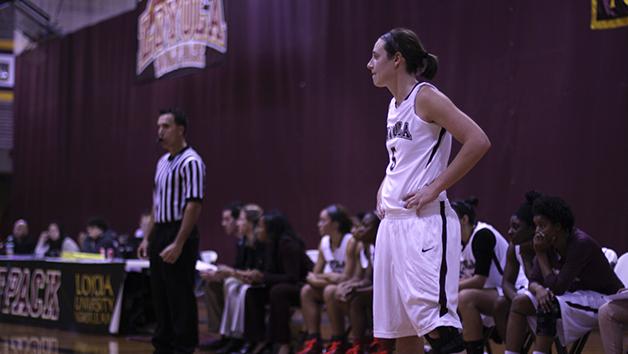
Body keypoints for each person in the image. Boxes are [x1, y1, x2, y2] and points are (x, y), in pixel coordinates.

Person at [367, 27, 491, 354]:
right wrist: (385, 186)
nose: (370, 64)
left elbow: (478, 141)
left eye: (376, 56)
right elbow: (402, 159)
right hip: (393, 227)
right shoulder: (394, 106)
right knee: (403, 332)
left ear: (397, 60)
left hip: (425, 227)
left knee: (439, 332)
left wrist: (433, 188)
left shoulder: (425, 96)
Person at [504, 195, 624, 354]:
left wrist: (540, 254)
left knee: (548, 304)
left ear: (558, 226)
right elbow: (533, 280)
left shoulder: (580, 244)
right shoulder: (548, 242)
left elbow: (558, 288)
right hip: (574, 296)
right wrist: (539, 290)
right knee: (520, 302)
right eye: (536, 226)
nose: (538, 231)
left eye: (542, 226)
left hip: (603, 299)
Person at [137, 108, 205, 354]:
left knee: (180, 294)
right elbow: (157, 204)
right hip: (161, 231)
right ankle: (163, 346)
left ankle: (184, 347)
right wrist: (147, 237)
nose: (160, 132)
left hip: (180, 231)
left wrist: (179, 243)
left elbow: (194, 205)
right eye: (158, 127)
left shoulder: (192, 161)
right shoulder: (161, 163)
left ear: (180, 129)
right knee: (160, 293)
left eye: (165, 126)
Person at [240, 210, 313, 354]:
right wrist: (257, 277)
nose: (257, 230)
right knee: (252, 293)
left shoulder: (288, 245)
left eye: (261, 227)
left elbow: (293, 277)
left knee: (278, 292)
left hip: (302, 287)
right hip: (283, 286)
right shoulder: (269, 244)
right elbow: (271, 274)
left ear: (272, 230)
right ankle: (258, 340)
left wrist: (262, 277)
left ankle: (283, 342)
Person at [452, 197, 510, 354]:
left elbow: (479, 281)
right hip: (487, 293)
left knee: (464, 297)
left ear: (464, 219)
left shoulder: (482, 235)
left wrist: (448, 287)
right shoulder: (456, 243)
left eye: (451, 219)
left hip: (508, 290)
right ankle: (450, 348)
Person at [297, 204, 356, 354]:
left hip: (350, 287)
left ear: (335, 224)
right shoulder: (324, 242)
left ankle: (338, 340)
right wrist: (329, 277)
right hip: (332, 285)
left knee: (329, 291)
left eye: (323, 221)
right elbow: (313, 275)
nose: (319, 224)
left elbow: (347, 277)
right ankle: (314, 340)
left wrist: (321, 279)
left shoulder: (350, 241)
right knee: (307, 291)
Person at [492, 192, 540, 341]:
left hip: (547, 294)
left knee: (522, 304)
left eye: (516, 227)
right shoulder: (514, 247)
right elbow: (506, 282)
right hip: (527, 293)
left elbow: (538, 281)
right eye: (510, 226)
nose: (509, 231)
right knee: (500, 304)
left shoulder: (545, 246)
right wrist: (514, 298)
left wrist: (526, 257)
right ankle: (513, 347)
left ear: (532, 229)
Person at [333, 211, 383, 354]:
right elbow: (368, 279)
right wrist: (351, 287)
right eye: (360, 225)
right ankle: (362, 342)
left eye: (365, 226)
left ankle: (377, 342)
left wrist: (356, 290)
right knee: (350, 296)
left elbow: (384, 287)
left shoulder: (385, 247)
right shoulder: (368, 247)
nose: (359, 229)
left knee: (357, 300)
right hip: (378, 290)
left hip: (393, 293)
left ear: (378, 229)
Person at [198, 201, 244, 350]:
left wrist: (225, 273)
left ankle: (234, 336)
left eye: (227, 219)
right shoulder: (240, 241)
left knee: (228, 283)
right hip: (240, 277)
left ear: (238, 220)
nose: (223, 224)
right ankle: (223, 334)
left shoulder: (249, 240)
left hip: (249, 281)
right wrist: (218, 274)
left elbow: (250, 270)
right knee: (211, 283)